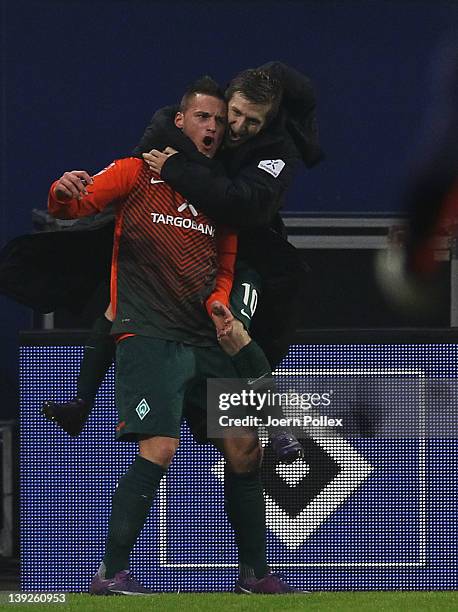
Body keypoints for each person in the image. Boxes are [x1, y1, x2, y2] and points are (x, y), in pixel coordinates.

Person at [48, 77, 301, 595]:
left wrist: (220, 301)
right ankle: (110, 576)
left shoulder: (219, 194)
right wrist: (63, 189)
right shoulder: (136, 172)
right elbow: (72, 207)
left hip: (205, 340)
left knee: (245, 447)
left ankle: (255, 574)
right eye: (202, 117)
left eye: (217, 119)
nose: (212, 127)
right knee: (160, 448)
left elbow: (226, 262)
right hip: (151, 334)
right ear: (180, 121)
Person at [41, 63, 322, 468]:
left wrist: (176, 169)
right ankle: (83, 402)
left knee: (234, 331)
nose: (237, 126)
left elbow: (242, 204)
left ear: (270, 120)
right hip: (191, 249)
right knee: (122, 297)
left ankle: (276, 427)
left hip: (248, 255)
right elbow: (150, 152)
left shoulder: (278, 153)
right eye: (233, 114)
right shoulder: (199, 121)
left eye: (251, 121)